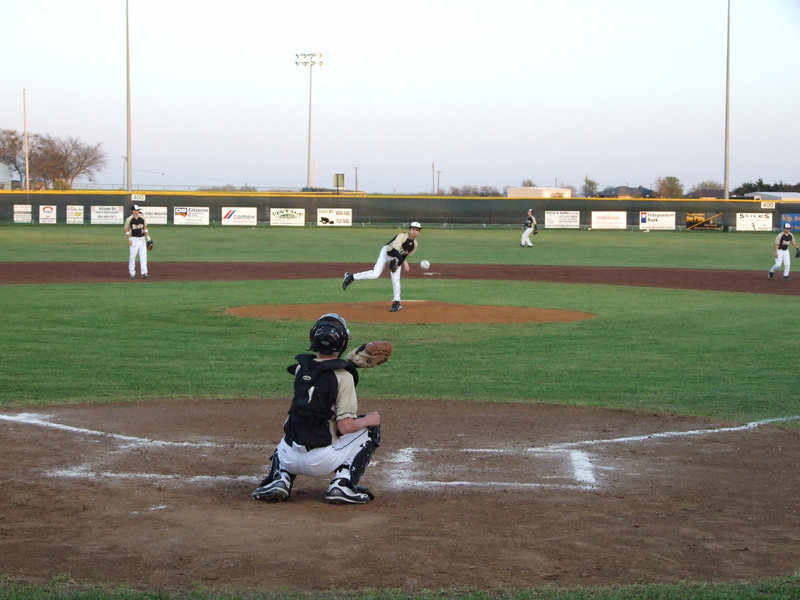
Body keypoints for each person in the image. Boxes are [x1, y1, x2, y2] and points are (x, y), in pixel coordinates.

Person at [251, 313, 382, 505]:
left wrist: (352, 362)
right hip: (321, 460)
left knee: (295, 425)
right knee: (370, 428)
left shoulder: (300, 369)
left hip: (289, 456)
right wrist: (369, 419)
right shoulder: (344, 377)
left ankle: (280, 477)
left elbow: (324, 368)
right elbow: (345, 426)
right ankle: (342, 483)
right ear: (343, 342)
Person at [341, 221, 421, 312]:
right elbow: (394, 250)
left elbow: (404, 254)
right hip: (386, 252)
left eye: (417, 230)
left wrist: (398, 265)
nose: (415, 232)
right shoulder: (401, 236)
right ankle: (351, 277)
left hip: (397, 258)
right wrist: (404, 263)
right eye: (413, 229)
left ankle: (397, 302)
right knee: (375, 274)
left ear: (419, 232)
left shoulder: (415, 244)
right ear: (409, 229)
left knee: (396, 279)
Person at [124, 204, 151, 279]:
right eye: (137, 210)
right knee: (132, 256)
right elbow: (126, 229)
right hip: (134, 239)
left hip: (142, 239)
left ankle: (144, 273)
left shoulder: (142, 218)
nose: (138, 211)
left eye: (138, 210)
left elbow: (145, 228)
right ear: (133, 211)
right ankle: (132, 273)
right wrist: (129, 239)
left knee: (143, 256)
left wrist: (148, 238)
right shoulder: (129, 219)